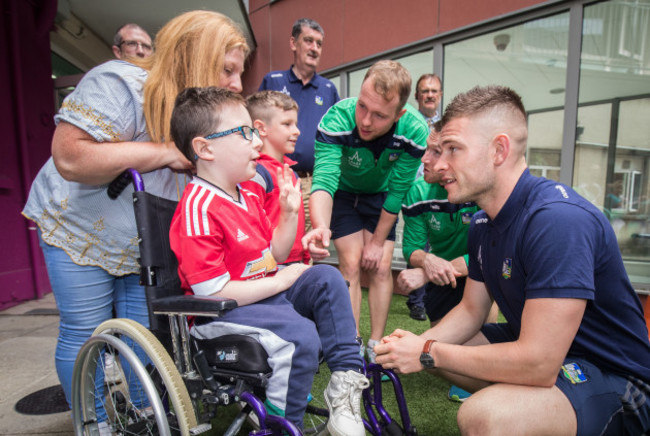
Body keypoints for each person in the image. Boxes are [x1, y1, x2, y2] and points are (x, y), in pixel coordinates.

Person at [375, 85, 650, 435]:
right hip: (553, 357)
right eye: (440, 150)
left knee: (484, 415)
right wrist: (415, 347)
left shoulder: (557, 220)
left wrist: (428, 351)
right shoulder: (482, 222)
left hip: (616, 378)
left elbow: (538, 362)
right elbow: (472, 311)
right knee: (445, 346)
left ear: (499, 150)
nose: (440, 164)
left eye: (454, 150)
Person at [22, 10, 249, 417]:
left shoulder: (196, 115)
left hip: (141, 240)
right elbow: (70, 157)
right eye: (228, 70)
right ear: (195, 57)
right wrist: (165, 152)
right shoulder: (120, 82)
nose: (236, 84)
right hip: (79, 229)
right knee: (83, 331)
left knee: (142, 336)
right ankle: (95, 423)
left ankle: (148, 417)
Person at [169, 86, 369, 436]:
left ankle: (344, 389)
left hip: (261, 297)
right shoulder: (199, 207)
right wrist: (280, 281)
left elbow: (272, 255)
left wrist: (290, 214)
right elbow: (211, 291)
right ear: (205, 148)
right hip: (220, 313)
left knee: (327, 278)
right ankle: (282, 425)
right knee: (300, 336)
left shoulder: (246, 194)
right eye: (244, 133)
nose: (257, 142)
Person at [303, 60, 429, 363]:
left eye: (379, 115)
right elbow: (324, 181)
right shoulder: (336, 120)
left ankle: (375, 343)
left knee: (381, 265)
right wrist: (320, 226)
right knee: (350, 262)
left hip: (382, 195)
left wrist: (376, 243)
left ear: (399, 114)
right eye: (362, 106)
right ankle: (351, 342)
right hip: (344, 193)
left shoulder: (415, 130)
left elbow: (399, 190)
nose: (366, 120)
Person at [398, 126, 496, 402]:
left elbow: (490, 253)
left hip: (481, 269)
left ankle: (489, 376)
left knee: (475, 334)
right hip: (443, 274)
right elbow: (412, 248)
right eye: (427, 150)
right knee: (440, 347)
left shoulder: (479, 188)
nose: (424, 159)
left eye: (436, 152)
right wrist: (427, 262)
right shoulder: (418, 191)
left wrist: (426, 275)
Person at [259, 18, 339, 232]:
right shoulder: (273, 81)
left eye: (319, 44)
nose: (314, 48)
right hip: (276, 180)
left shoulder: (328, 89)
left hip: (315, 183)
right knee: (273, 237)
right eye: (309, 41)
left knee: (308, 246)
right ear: (293, 43)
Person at [240, 91, 310, 266]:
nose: (297, 131)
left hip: (296, 261)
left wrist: (304, 252)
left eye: (295, 123)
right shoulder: (255, 173)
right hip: (270, 265)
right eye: (287, 124)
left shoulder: (290, 171)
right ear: (261, 128)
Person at [405, 73, 445, 321]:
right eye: (425, 91)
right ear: (417, 96)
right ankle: (417, 300)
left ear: (440, 95)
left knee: (440, 242)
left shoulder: (447, 126)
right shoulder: (410, 122)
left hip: (440, 192)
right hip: (415, 190)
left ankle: (436, 291)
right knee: (418, 245)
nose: (430, 95)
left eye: (434, 91)